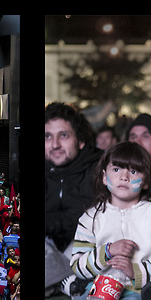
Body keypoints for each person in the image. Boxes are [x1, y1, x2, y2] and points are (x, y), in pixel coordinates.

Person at [49, 142, 151, 300]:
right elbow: (77, 264)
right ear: (104, 177)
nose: (124, 176)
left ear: (146, 181)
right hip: (98, 288)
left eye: (134, 171)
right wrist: (107, 252)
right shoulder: (91, 217)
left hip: (138, 292)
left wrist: (135, 271)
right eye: (116, 169)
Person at [45, 102, 104, 254]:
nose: (55, 145)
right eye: (47, 137)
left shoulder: (102, 171)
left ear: (81, 141)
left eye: (63, 135)